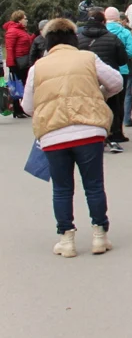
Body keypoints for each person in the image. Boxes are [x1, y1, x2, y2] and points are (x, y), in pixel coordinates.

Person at [22, 18, 124, 257]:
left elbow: (27, 106)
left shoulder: (38, 67)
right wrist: (100, 95)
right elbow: (117, 82)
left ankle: (66, 240)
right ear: (73, 39)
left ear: (48, 41)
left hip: (53, 135)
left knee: (62, 189)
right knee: (94, 185)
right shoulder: (88, 58)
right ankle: (100, 235)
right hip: (89, 131)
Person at [78, 9, 130, 151]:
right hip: (109, 77)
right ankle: (113, 136)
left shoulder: (79, 38)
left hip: (87, 79)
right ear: (103, 22)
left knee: (89, 106)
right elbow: (122, 60)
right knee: (113, 106)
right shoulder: (112, 38)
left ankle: (92, 136)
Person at [104, 8, 132, 129]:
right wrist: (122, 58)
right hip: (123, 69)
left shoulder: (103, 32)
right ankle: (123, 122)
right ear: (118, 18)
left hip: (104, 70)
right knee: (125, 96)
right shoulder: (125, 32)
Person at [4, 10, 34, 118]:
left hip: (23, 61)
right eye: (24, 18)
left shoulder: (21, 30)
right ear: (19, 19)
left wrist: (34, 35)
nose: (26, 20)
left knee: (23, 84)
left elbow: (26, 42)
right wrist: (11, 63)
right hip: (17, 62)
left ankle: (22, 108)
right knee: (17, 85)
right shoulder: (13, 31)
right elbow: (9, 47)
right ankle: (17, 109)